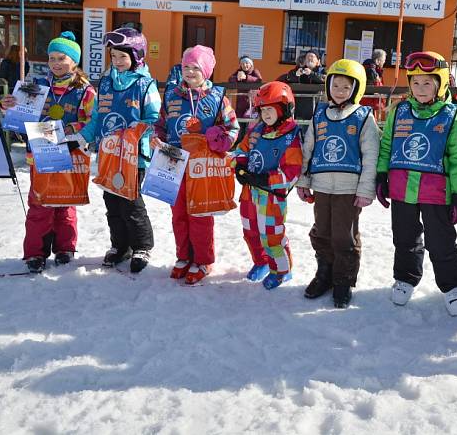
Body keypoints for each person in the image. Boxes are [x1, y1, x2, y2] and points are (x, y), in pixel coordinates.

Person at [376, 51, 457, 317]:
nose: (420, 89)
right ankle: (405, 278)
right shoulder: (400, 111)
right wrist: (382, 176)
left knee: (441, 241)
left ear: (440, 84)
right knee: (404, 238)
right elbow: (387, 144)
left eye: (427, 83)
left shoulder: (452, 116)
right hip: (402, 188)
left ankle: (452, 286)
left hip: (436, 192)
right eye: (415, 82)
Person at [0, 32, 96, 273]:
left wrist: (72, 128)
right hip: (40, 151)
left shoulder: (85, 90)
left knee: (65, 203)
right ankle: (35, 252)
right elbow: (19, 113)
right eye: (52, 58)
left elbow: (93, 121)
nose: (55, 63)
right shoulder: (38, 85)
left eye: (62, 58)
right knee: (39, 203)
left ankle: (65, 247)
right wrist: (6, 105)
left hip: (69, 151)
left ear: (74, 61)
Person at [66, 27, 161, 273]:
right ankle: (120, 246)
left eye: (123, 56)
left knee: (131, 203)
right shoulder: (106, 83)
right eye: (114, 56)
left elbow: (153, 119)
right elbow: (97, 116)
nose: (117, 61)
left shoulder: (145, 84)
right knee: (112, 202)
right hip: (109, 155)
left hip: (133, 156)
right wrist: (82, 138)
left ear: (136, 57)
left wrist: (134, 133)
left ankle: (141, 246)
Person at [296, 59, 380, 308]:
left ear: (356, 89)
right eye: (336, 85)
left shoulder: (364, 117)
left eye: (346, 87)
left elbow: (371, 155)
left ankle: (343, 281)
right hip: (322, 185)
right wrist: (303, 180)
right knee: (322, 232)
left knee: (344, 237)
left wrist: (366, 189)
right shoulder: (319, 114)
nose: (340, 91)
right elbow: (308, 148)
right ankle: (325, 274)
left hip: (349, 189)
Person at [153, 46, 239, 284]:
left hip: (202, 166)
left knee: (200, 214)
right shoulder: (171, 95)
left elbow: (233, 128)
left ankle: (202, 260)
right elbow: (160, 123)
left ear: (207, 71)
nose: (190, 72)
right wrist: (156, 137)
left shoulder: (218, 97)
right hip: (173, 161)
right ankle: (183, 256)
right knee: (178, 213)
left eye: (196, 68)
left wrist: (218, 136)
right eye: (186, 67)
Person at [233, 81, 303, 289]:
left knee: (271, 234)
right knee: (250, 230)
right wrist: (240, 166)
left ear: (284, 109)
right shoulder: (256, 129)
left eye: (271, 109)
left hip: (271, 196)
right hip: (249, 192)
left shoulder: (290, 135)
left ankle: (281, 270)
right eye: (263, 110)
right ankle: (261, 261)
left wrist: (267, 179)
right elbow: (242, 149)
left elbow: (292, 170)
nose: (266, 114)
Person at [284, 50, 325, 121]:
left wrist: (311, 74)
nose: (309, 58)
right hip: (298, 108)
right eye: (307, 57)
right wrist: (296, 74)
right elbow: (288, 77)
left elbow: (324, 79)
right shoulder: (299, 69)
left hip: (315, 108)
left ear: (318, 62)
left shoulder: (321, 71)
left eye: (312, 57)